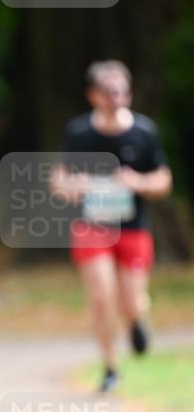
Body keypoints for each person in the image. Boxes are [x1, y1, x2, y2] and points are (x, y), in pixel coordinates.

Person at [53, 60, 172, 392]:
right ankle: (110, 367)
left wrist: (138, 182)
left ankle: (137, 320)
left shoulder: (144, 131)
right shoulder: (79, 133)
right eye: (109, 91)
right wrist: (73, 187)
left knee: (130, 302)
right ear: (93, 95)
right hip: (93, 228)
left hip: (133, 228)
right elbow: (59, 181)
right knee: (102, 297)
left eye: (122, 90)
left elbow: (164, 179)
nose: (116, 97)